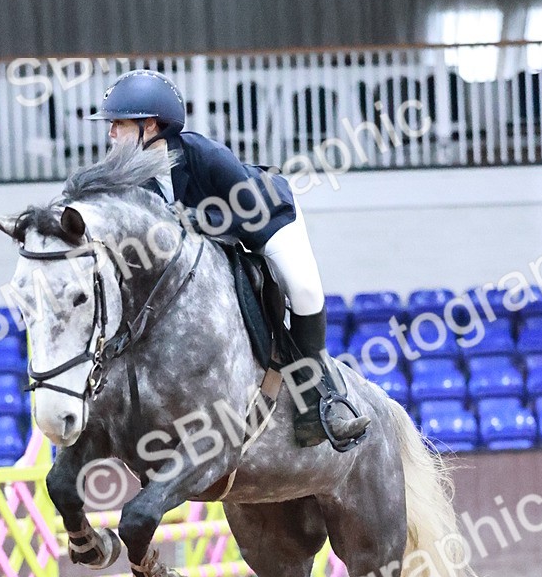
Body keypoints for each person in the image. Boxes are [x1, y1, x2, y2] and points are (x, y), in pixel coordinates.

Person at [90, 69, 368, 450]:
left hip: (267, 220)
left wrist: (194, 220)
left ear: (150, 125)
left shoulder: (204, 155)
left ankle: (322, 402)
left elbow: (249, 210)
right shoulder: (130, 177)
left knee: (303, 290)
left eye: (118, 124)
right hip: (213, 242)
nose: (110, 134)